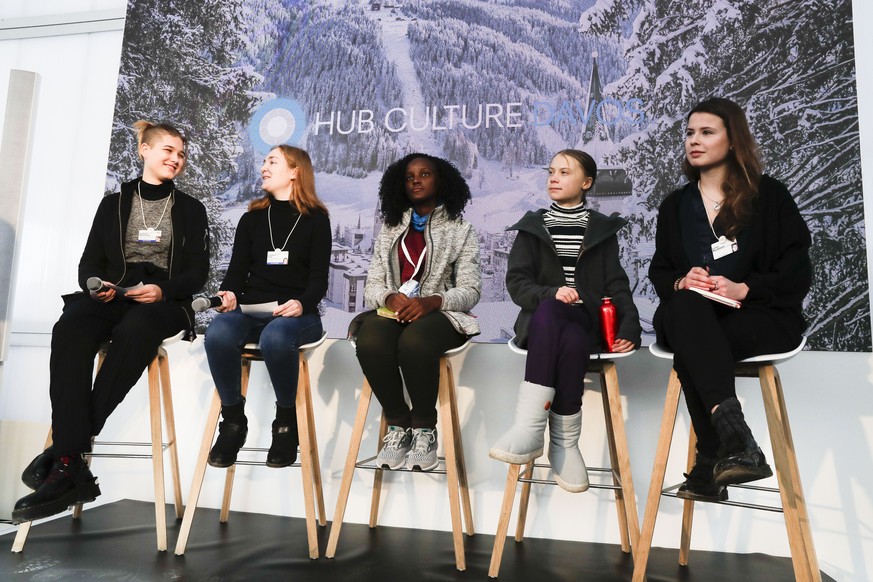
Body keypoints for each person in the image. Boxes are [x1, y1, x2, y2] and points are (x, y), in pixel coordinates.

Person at [13, 121, 209, 523]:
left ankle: (65, 455)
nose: (176, 159)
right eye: (168, 150)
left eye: (181, 154)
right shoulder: (113, 203)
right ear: (144, 149)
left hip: (160, 300)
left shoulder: (190, 209)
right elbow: (89, 263)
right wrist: (95, 287)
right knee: (70, 326)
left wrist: (164, 291)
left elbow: (197, 273)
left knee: (136, 329)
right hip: (114, 293)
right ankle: (71, 462)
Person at [649, 97, 811, 502]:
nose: (694, 141)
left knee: (692, 345)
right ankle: (737, 440)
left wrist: (746, 288)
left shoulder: (769, 195)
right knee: (685, 312)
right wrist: (684, 280)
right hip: (696, 316)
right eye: (689, 133)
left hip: (760, 316)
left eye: (707, 132)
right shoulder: (674, 206)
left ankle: (709, 460)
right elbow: (660, 270)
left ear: (733, 140)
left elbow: (797, 270)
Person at [489, 149, 641, 492]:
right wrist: (552, 293)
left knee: (570, 328)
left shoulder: (602, 230)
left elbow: (617, 284)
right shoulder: (532, 228)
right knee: (560, 327)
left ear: (586, 183)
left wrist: (629, 326)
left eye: (565, 172)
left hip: (587, 319)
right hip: (544, 322)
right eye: (552, 171)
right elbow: (517, 284)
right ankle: (563, 444)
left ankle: (529, 430)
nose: (554, 178)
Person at [350, 153, 481, 472]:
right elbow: (372, 284)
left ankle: (424, 429)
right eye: (409, 177)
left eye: (425, 174)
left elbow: (471, 289)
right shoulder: (391, 228)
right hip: (395, 312)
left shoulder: (461, 230)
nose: (416, 181)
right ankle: (398, 425)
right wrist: (390, 297)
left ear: (441, 181)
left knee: (415, 341)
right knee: (369, 340)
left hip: (440, 315)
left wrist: (433, 301)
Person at [203, 145, 331, 468]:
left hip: (298, 314)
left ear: (294, 171)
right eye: (263, 161)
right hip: (251, 309)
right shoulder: (252, 219)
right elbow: (235, 273)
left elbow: (318, 281)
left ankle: (286, 423)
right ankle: (233, 421)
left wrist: (301, 303)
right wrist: (229, 294)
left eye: (272, 161)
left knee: (275, 337)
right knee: (218, 332)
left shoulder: (316, 221)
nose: (263, 167)